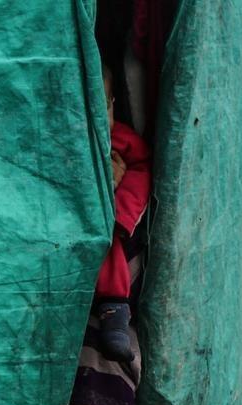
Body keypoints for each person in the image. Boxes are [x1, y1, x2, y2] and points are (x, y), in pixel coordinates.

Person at [95, 65, 150, 362]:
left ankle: (114, 307)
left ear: (113, 104)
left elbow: (141, 170)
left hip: (111, 219)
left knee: (110, 246)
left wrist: (120, 212)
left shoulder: (122, 140)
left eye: (102, 105)